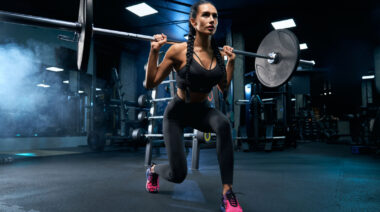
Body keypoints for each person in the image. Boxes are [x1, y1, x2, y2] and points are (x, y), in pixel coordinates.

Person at [144, 1, 243, 211]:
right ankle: (153, 168)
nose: (212, 20)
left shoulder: (218, 54)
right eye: (206, 15)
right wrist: (154, 52)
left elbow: (224, 89)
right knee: (178, 175)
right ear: (193, 21)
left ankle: (227, 192)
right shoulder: (177, 51)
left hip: (201, 112)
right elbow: (150, 83)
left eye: (215, 16)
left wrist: (231, 62)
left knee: (224, 124)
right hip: (177, 114)